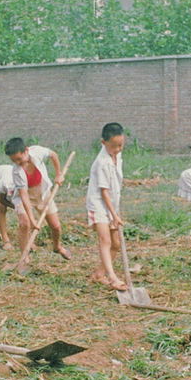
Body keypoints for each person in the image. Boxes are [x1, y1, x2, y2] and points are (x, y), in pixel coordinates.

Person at [5, 138, 72, 260]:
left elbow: (53, 155)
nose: (17, 162)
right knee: (24, 224)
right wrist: (32, 219)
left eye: (19, 158)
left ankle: (57, 247)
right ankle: (24, 258)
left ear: (26, 150)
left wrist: (58, 174)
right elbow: (24, 195)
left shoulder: (37, 152)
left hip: (42, 192)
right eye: (13, 160)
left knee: (56, 226)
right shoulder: (16, 171)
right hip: (25, 197)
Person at [86, 123, 126, 291]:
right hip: (98, 204)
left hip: (111, 204)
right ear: (103, 142)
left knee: (116, 244)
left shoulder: (117, 156)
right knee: (106, 240)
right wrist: (114, 215)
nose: (117, 149)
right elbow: (103, 192)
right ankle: (112, 278)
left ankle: (99, 274)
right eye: (113, 146)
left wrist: (116, 211)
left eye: (121, 145)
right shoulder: (102, 162)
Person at [0, 163, 25, 250]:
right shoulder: (6, 184)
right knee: (2, 208)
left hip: (11, 176)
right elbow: (3, 200)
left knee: (23, 211)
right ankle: (6, 241)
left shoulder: (26, 185)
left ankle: (28, 240)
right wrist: (15, 207)